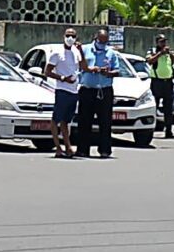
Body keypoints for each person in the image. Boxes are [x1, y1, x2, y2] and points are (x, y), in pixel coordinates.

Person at [77, 25, 119, 158]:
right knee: (84, 121)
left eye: (105, 41)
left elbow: (117, 71)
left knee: (105, 122)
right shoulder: (84, 49)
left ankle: (105, 150)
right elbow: (79, 65)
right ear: (95, 38)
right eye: (100, 41)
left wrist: (109, 73)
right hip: (87, 90)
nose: (102, 44)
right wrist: (91, 69)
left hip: (104, 90)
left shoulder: (111, 53)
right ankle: (83, 149)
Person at [44, 26, 83, 158]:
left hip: (74, 91)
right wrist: (62, 78)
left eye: (73, 36)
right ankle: (58, 147)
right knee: (56, 119)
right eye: (68, 36)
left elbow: (83, 67)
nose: (70, 38)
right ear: (64, 37)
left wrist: (81, 50)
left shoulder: (76, 52)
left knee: (66, 121)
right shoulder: (57, 52)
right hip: (62, 90)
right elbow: (47, 71)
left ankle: (68, 146)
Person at [148, 34, 174, 135]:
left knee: (168, 108)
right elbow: (150, 61)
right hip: (157, 82)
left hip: (168, 83)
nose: (163, 43)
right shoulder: (153, 51)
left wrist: (170, 53)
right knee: (153, 106)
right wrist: (160, 53)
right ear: (157, 42)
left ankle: (168, 130)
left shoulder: (169, 52)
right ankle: (150, 128)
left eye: (164, 41)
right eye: (161, 41)